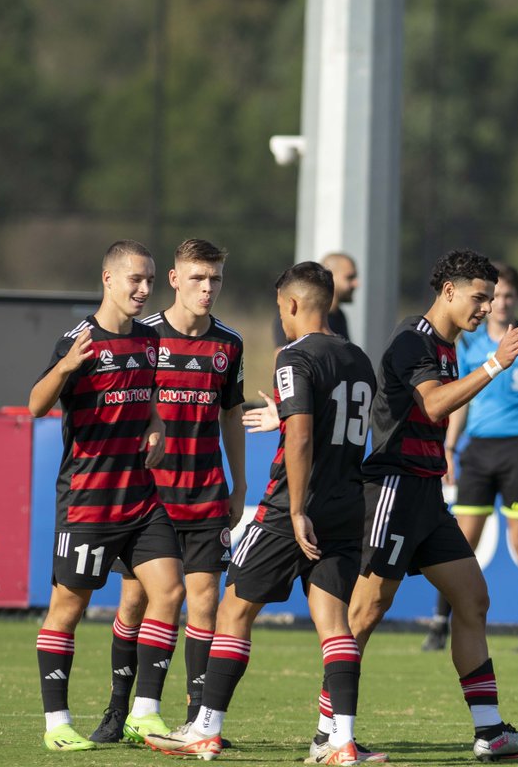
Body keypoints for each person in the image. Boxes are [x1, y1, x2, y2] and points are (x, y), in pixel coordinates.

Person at [146, 261, 384, 763]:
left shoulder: (294, 356)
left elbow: (299, 435)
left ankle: (204, 730)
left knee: (234, 611)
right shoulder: (359, 358)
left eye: (281, 309)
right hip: (346, 505)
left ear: (293, 306)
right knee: (334, 625)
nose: (282, 317)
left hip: (290, 508)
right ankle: (341, 741)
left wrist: (296, 510)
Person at [344, 249, 518, 762]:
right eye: (479, 297)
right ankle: (332, 732)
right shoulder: (412, 340)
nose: (485, 308)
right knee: (366, 610)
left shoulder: (446, 345)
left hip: (426, 492)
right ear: (448, 292)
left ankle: (490, 733)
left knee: (474, 599)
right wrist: (496, 362)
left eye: (490, 298)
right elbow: (435, 402)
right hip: (394, 488)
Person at [28, 239, 185, 752]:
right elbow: (35, 405)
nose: (144, 289)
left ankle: (145, 713)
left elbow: (150, 390)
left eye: (150, 280)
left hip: (140, 497)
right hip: (89, 501)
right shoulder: (78, 340)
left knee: (170, 592)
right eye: (136, 279)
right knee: (68, 609)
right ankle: (56, 725)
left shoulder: (147, 339)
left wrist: (158, 422)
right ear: (109, 279)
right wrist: (66, 366)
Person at [89, 239, 247, 745]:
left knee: (204, 605)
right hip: (148, 498)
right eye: (198, 278)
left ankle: (199, 718)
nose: (207, 288)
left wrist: (239, 482)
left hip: (205, 494)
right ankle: (121, 709)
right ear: (175, 280)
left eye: (215, 279)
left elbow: (231, 416)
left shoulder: (230, 344)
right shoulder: (144, 337)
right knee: (135, 602)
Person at [422, 261, 518, 653]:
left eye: (508, 296)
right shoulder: (469, 343)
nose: (501, 303)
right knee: (463, 539)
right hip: (479, 451)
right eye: (494, 296)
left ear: (517, 298)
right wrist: (450, 446)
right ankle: (438, 624)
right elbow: (459, 401)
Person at [274, 252, 359, 353]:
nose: (356, 283)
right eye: (349, 277)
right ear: (331, 276)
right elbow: (283, 359)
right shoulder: (294, 315)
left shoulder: (339, 316)